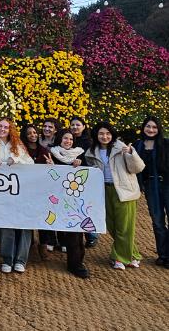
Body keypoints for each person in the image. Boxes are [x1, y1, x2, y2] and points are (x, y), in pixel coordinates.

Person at [85, 122, 145, 270]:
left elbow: (138, 168)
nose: (104, 136)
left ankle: (118, 257)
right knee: (111, 225)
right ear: (96, 135)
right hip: (104, 191)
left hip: (124, 191)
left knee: (124, 226)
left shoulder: (121, 147)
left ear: (112, 134)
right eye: (101, 133)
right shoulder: (91, 152)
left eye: (107, 133)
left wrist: (130, 153)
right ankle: (132, 255)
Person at [0, 118, 34, 273]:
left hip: (19, 192)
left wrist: (16, 159)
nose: (2, 129)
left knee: (23, 224)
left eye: (6, 127)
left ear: (11, 130)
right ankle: (7, 259)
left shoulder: (18, 145)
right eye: (0, 126)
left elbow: (30, 163)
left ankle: (21, 260)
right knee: (4, 224)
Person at [49, 129, 89, 278]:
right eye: (65, 138)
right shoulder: (52, 153)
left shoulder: (79, 154)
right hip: (55, 199)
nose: (68, 141)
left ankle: (76, 263)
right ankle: (74, 263)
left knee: (76, 232)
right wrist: (49, 166)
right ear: (59, 139)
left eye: (71, 139)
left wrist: (81, 164)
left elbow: (88, 174)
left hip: (74, 200)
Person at [133, 116, 168, 268]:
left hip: (167, 184)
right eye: (148, 126)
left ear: (158, 129)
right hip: (150, 186)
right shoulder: (138, 145)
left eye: (154, 127)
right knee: (158, 221)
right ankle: (163, 255)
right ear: (143, 128)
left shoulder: (166, 143)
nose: (151, 129)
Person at [20, 124, 55, 260]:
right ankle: (29, 242)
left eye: (34, 132)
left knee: (42, 216)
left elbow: (51, 170)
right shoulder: (20, 150)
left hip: (42, 190)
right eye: (29, 133)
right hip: (25, 189)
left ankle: (43, 244)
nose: (33, 135)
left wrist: (51, 165)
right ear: (25, 135)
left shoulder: (44, 150)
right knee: (27, 215)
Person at [70, 117, 98, 248]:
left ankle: (91, 235)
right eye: (72, 125)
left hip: (86, 178)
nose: (75, 127)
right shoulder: (69, 139)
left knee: (86, 207)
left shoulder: (89, 142)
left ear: (83, 126)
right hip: (71, 179)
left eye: (78, 125)